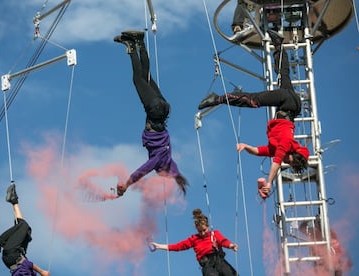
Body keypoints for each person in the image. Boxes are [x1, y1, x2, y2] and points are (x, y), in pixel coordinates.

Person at [198, 30, 309, 199]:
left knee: (282, 74)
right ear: (292, 154)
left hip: (291, 106)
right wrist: (269, 182)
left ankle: (278, 44)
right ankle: (218, 98)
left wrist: (245, 146)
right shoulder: (286, 145)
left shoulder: (279, 148)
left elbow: (260, 151)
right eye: (288, 160)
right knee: (254, 100)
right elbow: (276, 163)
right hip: (287, 105)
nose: (285, 161)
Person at [113, 30, 188, 197]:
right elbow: (143, 170)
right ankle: (132, 46)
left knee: (146, 77)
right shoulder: (160, 161)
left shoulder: (170, 161)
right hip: (154, 111)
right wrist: (127, 184)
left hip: (164, 109)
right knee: (137, 79)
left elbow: (175, 172)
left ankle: (139, 42)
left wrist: (178, 180)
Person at [0, 183, 50, 276]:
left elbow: (27, 264)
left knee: (24, 226)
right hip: (15, 256)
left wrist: (42, 272)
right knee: (26, 232)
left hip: (13, 256)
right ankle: (14, 201)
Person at [151, 209, 238, 276]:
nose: (203, 233)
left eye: (204, 230)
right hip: (207, 265)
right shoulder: (194, 239)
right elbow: (178, 246)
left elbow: (223, 241)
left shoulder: (214, 234)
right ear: (196, 229)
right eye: (200, 231)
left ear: (208, 226)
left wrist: (231, 246)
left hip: (220, 261)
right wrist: (159, 246)